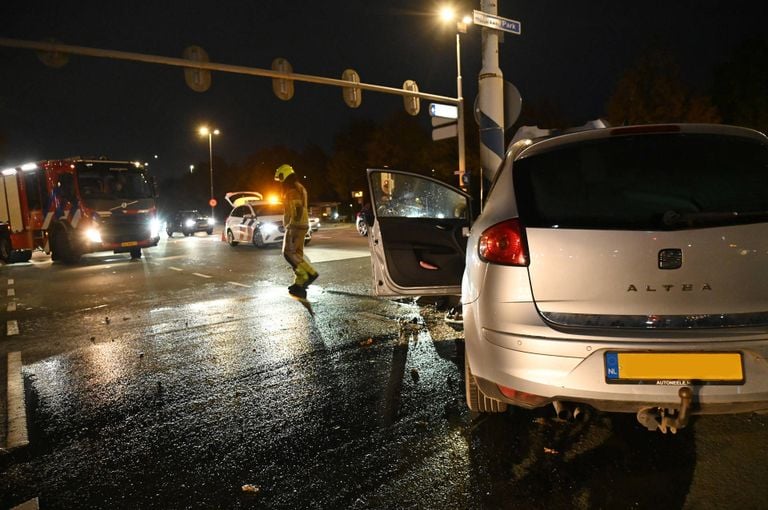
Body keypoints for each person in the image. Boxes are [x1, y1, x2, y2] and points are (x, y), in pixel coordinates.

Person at [274, 164, 319, 298]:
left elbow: (298, 208)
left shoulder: (292, 190)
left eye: (281, 177)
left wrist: (292, 224)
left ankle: (310, 273)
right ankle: (299, 284)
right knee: (297, 254)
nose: (280, 181)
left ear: (285, 175)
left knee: (288, 253)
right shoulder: (299, 187)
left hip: (295, 226)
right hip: (302, 224)